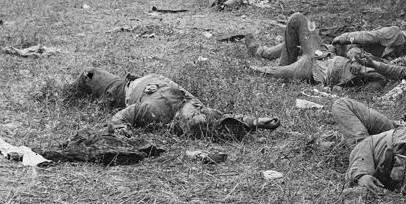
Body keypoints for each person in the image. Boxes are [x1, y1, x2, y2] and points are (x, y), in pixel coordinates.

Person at [73, 68, 280, 138]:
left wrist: (121, 129)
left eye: (195, 115)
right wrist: (256, 122)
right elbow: (226, 119)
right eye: (198, 112)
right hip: (141, 83)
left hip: (130, 88)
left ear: (181, 121)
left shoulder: (155, 111)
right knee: (88, 75)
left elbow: (121, 117)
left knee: (89, 75)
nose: (199, 111)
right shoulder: (197, 110)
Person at [246, 12, 406, 88]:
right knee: (301, 25)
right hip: (338, 48)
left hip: (332, 57)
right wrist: (346, 38)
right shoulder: (396, 34)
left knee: (303, 39)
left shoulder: (397, 55)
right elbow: (366, 36)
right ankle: (264, 53)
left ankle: (268, 56)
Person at [330, 23, 406, 60]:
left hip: (359, 56)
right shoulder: (394, 33)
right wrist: (345, 38)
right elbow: (368, 36)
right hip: (349, 47)